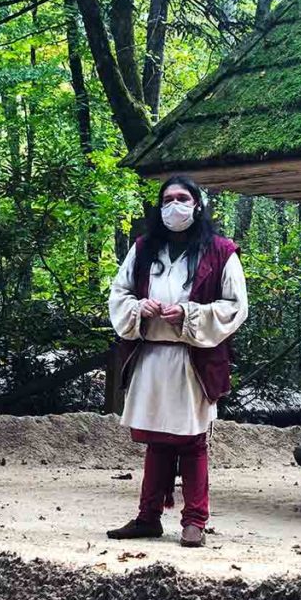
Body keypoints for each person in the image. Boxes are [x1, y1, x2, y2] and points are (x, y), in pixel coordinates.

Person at [106, 176, 249, 547]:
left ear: (197, 204)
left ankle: (195, 521)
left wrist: (189, 315)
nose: (174, 205)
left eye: (182, 197)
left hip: (193, 358)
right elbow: (118, 293)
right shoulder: (143, 249)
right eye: (167, 199)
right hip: (152, 355)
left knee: (191, 440)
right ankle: (148, 517)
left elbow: (236, 306)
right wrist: (139, 308)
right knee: (157, 440)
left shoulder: (220, 251)